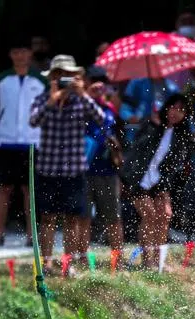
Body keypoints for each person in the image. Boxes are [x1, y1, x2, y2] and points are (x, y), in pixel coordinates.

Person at [29, 54, 105, 266]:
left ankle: (67, 263)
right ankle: (47, 262)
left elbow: (102, 119)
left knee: (73, 218)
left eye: (69, 75)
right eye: (60, 74)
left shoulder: (81, 100)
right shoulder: (43, 98)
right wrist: (53, 100)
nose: (64, 78)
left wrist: (83, 93)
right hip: (48, 168)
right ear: (52, 77)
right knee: (48, 218)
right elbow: (33, 121)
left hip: (74, 169)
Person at [120, 94, 193, 267]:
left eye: (181, 110)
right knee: (149, 215)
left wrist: (163, 188)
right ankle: (147, 260)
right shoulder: (151, 125)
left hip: (159, 182)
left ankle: (159, 261)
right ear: (166, 108)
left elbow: (173, 166)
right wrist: (154, 128)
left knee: (165, 216)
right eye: (173, 107)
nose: (176, 112)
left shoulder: (180, 136)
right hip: (138, 180)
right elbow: (135, 151)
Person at [0, 40, 47, 246]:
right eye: (16, 51)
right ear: (10, 54)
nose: (20, 56)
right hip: (7, 140)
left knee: (29, 189)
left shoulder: (40, 80)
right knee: (4, 188)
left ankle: (31, 234)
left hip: (32, 141)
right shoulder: (1, 79)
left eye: (23, 51)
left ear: (30, 53)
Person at [77, 66, 124, 262]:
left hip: (107, 170)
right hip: (83, 169)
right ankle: (82, 258)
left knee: (113, 217)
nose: (99, 86)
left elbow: (118, 128)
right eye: (94, 81)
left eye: (102, 82)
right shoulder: (79, 104)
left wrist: (112, 98)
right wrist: (86, 95)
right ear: (86, 82)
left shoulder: (110, 109)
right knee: (83, 217)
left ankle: (117, 259)